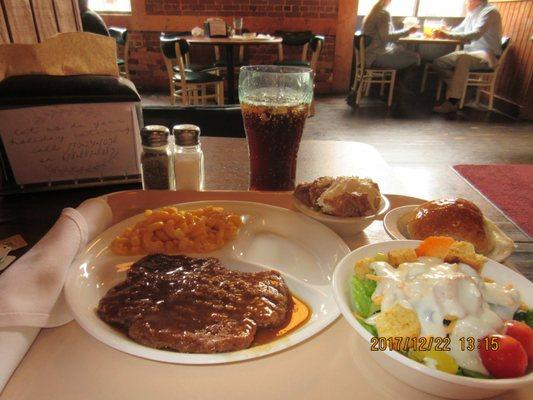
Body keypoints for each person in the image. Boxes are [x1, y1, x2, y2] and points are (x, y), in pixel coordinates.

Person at [432, 0, 502, 113]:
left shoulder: (490, 12)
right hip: (469, 53)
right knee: (438, 63)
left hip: (487, 55)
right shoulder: (472, 13)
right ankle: (465, 91)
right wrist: (445, 30)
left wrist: (448, 35)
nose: (466, 2)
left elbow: (476, 34)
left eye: (468, 1)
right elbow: (459, 30)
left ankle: (453, 101)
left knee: (463, 59)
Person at [361, 0, 420, 69]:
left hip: (368, 55)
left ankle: (395, 77)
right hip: (376, 55)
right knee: (416, 57)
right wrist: (408, 31)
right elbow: (387, 37)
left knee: (401, 49)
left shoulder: (372, 13)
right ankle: (400, 79)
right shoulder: (383, 14)